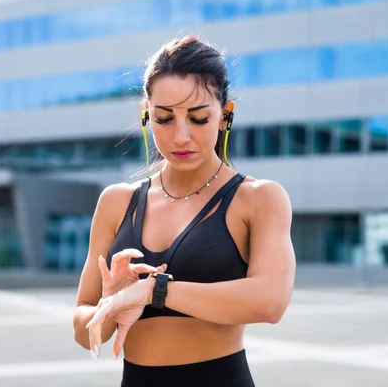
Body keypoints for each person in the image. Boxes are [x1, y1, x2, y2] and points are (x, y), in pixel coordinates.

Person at [73, 35, 296, 387]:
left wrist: (153, 291)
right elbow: (85, 333)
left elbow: (270, 301)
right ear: (146, 114)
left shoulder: (258, 198)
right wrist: (110, 302)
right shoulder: (117, 202)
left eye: (198, 118)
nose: (180, 137)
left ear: (225, 115)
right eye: (164, 119)